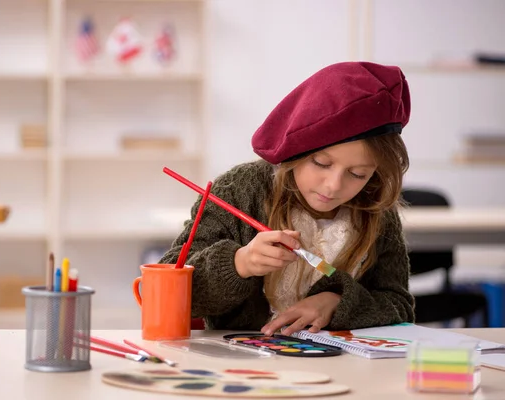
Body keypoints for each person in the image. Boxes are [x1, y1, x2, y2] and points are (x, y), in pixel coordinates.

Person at [159, 61, 415, 336]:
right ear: (297, 150)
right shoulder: (239, 191)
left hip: (342, 369)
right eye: (320, 163)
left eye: (357, 173)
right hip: (245, 369)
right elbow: (164, 292)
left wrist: (337, 303)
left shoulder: (375, 207)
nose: (333, 186)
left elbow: (399, 304)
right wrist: (240, 263)